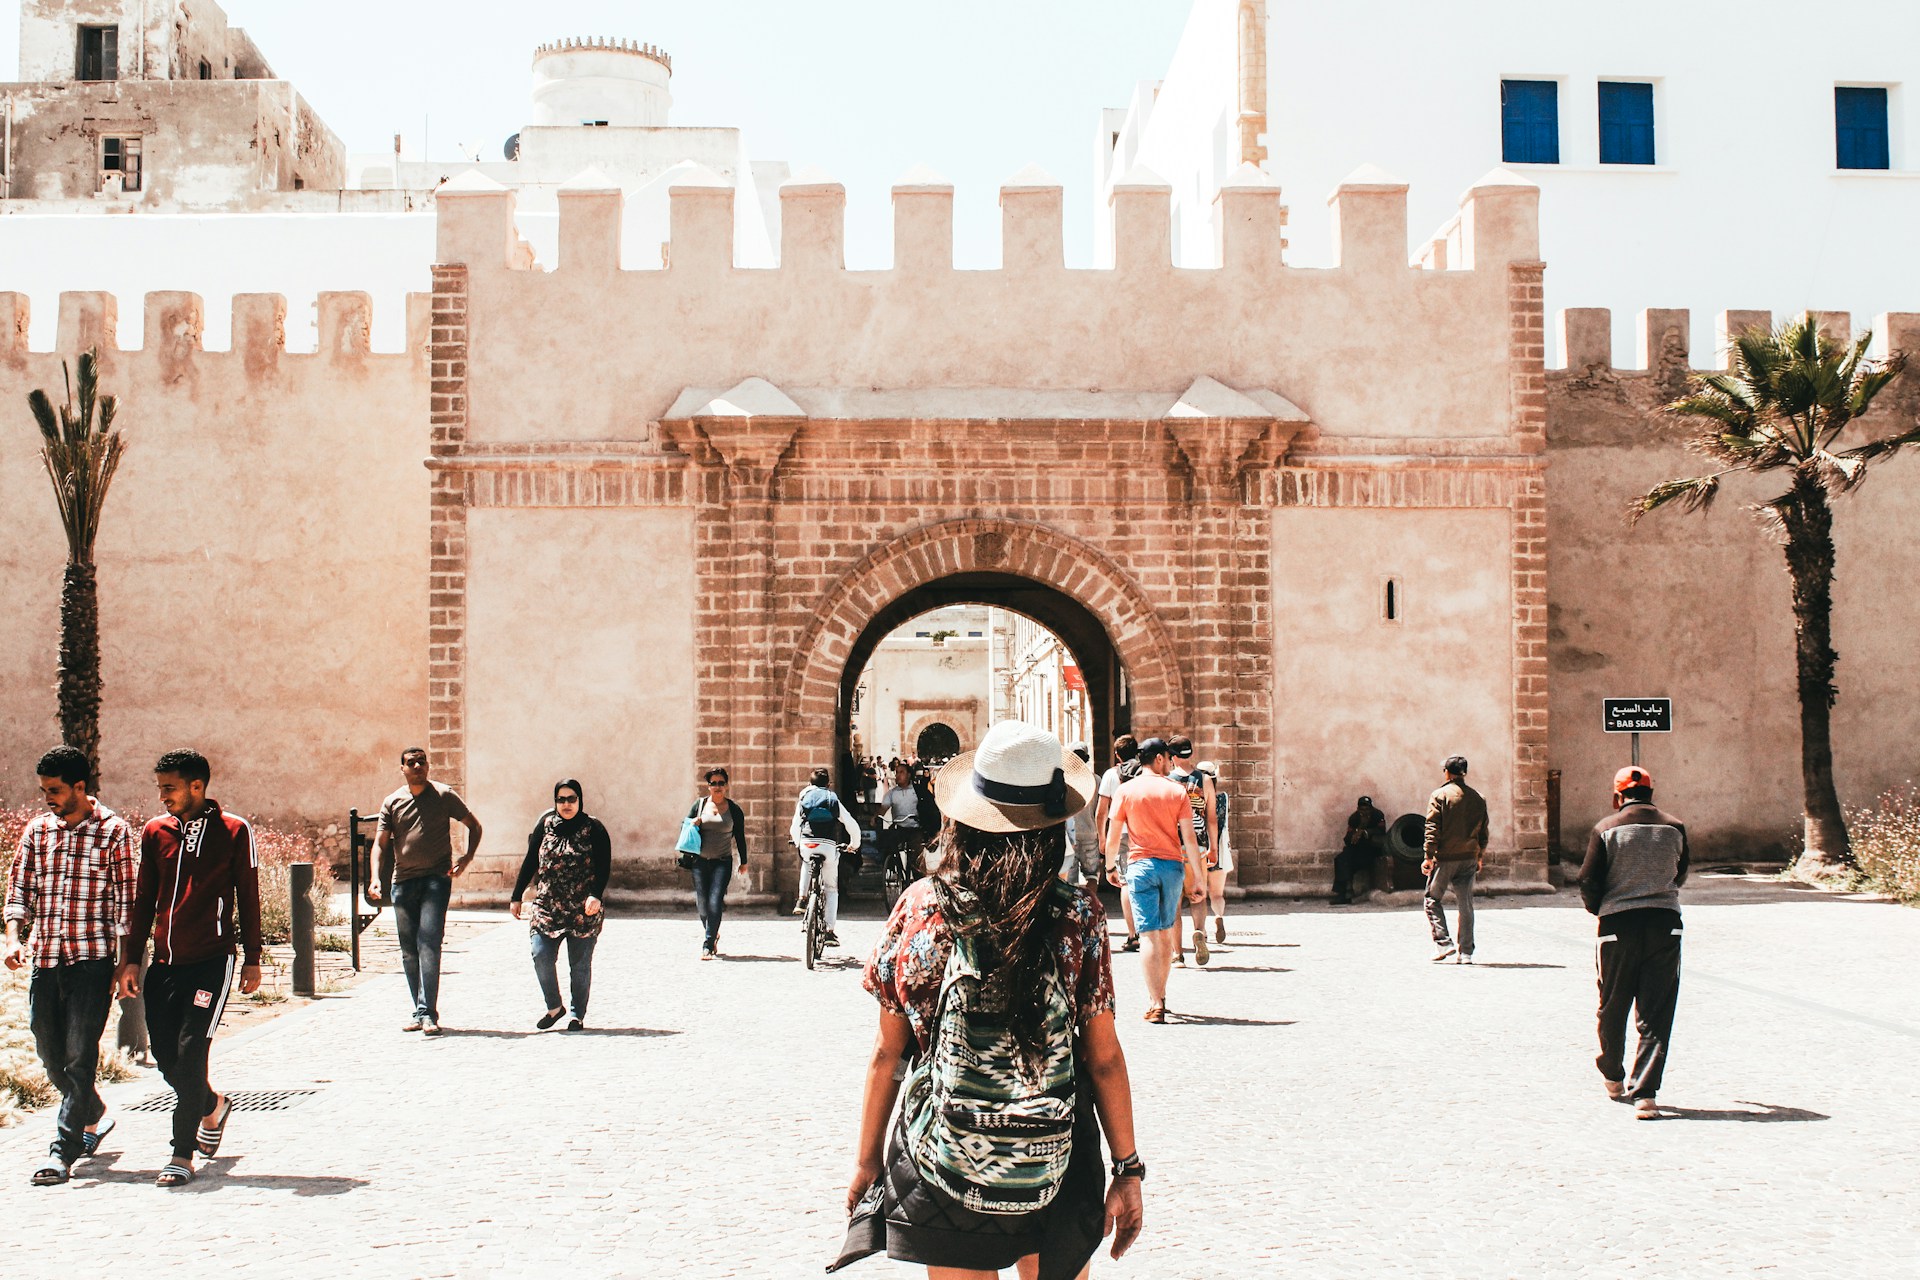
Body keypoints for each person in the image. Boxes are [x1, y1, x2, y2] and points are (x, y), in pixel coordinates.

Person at [843, 720, 1143, 1278]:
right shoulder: (1077, 915)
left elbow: (889, 1054)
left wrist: (867, 1161)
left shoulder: (921, 907)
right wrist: (1127, 1169)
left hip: (943, 1152)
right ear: (1052, 825)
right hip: (1056, 1152)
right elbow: (1103, 1056)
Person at [115, 749, 262, 1188]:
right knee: (166, 1057)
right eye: (160, 787)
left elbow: (249, 894)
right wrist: (131, 958)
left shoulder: (234, 830)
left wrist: (252, 957)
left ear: (197, 786)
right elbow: (143, 899)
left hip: (212, 962)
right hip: (165, 964)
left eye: (169, 787)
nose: (162, 796)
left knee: (192, 1050)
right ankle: (212, 1105)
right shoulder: (155, 832)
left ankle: (181, 1154)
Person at [4, 746, 137, 1186]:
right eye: (44, 790)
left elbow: (127, 904)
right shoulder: (38, 831)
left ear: (81, 787)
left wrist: (124, 964)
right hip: (46, 958)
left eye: (56, 790)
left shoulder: (114, 831)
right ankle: (94, 1112)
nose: (48, 798)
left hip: (91, 962)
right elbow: (18, 890)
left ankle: (63, 1151)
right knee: (49, 1052)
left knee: (80, 1057)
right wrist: (13, 937)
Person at [1578, 766, 1689, 1120]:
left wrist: (1601, 909)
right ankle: (1645, 1094)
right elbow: (1681, 872)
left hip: (1617, 926)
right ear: (1652, 793)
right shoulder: (1675, 827)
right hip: (1664, 924)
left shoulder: (1605, 829)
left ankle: (1613, 1074)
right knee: (1656, 1011)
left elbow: (1587, 880)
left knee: (1613, 1003)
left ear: (1617, 796)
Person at [366, 746, 482, 1036]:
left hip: (436, 880)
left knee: (428, 943)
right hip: (403, 882)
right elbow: (380, 844)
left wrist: (466, 858)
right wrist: (375, 878)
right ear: (402, 769)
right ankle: (420, 1011)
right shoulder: (392, 802)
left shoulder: (443, 795)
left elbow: (474, 825)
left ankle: (428, 1013)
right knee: (409, 951)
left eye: (422, 762)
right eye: (411, 763)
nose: (418, 766)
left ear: (428, 766)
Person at [1104, 737, 1205, 1023]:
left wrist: (1110, 865)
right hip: (1172, 867)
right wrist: (1197, 878)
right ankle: (1162, 993)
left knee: (1147, 934)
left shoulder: (1126, 791)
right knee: (1164, 932)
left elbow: (1114, 835)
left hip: (1140, 865)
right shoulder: (1176, 791)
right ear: (1160, 758)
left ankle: (1155, 1000)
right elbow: (1189, 839)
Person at [510, 780, 610, 1029]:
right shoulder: (545, 825)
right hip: (547, 905)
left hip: (582, 907)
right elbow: (530, 861)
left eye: (572, 799)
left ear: (580, 800)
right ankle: (554, 1006)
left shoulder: (594, 828)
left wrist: (595, 895)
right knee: (540, 954)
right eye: (561, 799)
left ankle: (577, 1014)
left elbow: (604, 866)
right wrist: (516, 895)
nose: (566, 804)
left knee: (579, 964)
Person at [1422, 755, 1489, 963]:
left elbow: (1432, 829)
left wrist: (1428, 856)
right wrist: (1480, 855)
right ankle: (1466, 952)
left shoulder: (1439, 795)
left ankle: (1443, 943)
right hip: (1469, 856)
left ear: (1447, 773)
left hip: (1446, 858)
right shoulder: (1478, 797)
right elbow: (1483, 830)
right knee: (1465, 904)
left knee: (1432, 899)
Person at [792, 767, 861, 948]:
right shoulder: (832, 798)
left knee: (806, 863)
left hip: (808, 843)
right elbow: (850, 823)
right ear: (828, 784)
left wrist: (798, 842)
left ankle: (802, 898)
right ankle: (829, 931)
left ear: (810, 783)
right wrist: (854, 844)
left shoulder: (804, 798)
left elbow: (795, 825)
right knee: (831, 888)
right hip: (828, 845)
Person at [685, 767, 749, 958]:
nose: (718, 786)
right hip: (700, 862)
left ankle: (708, 943)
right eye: (714, 783)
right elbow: (685, 827)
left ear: (726, 785)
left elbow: (740, 837)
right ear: (708, 786)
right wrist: (693, 823)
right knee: (702, 902)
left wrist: (743, 862)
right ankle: (712, 931)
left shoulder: (734, 810)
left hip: (722, 862)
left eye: (721, 783)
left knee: (715, 901)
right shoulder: (699, 805)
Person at [1166, 737, 1216, 965]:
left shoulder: (1168, 781)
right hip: (1199, 845)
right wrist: (1213, 847)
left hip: (1174, 845)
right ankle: (1200, 931)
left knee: (1175, 901)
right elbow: (1212, 818)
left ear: (1172, 756)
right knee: (1198, 896)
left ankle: (1177, 953)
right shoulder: (1204, 779)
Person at [1095, 735, 1142, 951]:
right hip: (1142, 831)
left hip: (1120, 833)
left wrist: (1103, 839)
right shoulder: (1145, 773)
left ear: (1116, 754)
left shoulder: (1111, 775)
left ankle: (1133, 935)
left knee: (1125, 883)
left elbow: (1101, 812)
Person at [879, 761, 936, 888]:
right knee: (887, 844)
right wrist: (876, 817)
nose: (898, 775)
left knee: (916, 857)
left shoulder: (917, 791)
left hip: (915, 828)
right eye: (897, 772)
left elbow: (928, 807)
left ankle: (921, 885)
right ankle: (893, 868)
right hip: (899, 828)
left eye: (902, 772)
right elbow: (883, 809)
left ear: (909, 775)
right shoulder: (892, 793)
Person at [1193, 761, 1232, 943]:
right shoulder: (1223, 798)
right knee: (1217, 894)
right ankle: (1219, 917)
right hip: (1219, 850)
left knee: (1201, 895)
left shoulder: (1195, 800)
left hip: (1200, 849)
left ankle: (1203, 930)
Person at [1333, 796, 1387, 905]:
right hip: (1357, 849)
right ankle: (1343, 893)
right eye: (1362, 809)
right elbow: (1348, 837)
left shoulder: (1377, 815)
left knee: (1357, 860)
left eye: (1367, 809)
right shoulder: (1354, 818)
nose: (1364, 812)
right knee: (1341, 859)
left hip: (1372, 849)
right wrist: (1353, 836)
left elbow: (1381, 832)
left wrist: (1367, 832)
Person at [1062, 742, 1101, 884]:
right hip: (1091, 832)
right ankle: (1091, 904)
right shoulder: (1096, 780)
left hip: (1069, 834)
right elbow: (1100, 809)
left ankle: (1072, 905)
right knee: (1092, 874)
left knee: (1070, 879)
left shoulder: (1066, 781)